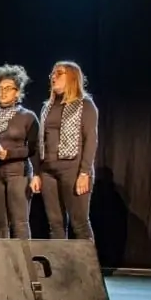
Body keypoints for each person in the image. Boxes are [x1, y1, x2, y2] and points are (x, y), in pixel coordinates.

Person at [32, 61, 98, 240]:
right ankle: (61, 268)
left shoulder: (85, 104)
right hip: (48, 171)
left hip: (73, 169)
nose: (53, 77)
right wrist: (37, 172)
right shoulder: (47, 107)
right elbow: (40, 141)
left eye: (58, 73)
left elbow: (91, 139)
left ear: (72, 77)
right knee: (55, 224)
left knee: (79, 223)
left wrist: (84, 173)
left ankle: (87, 268)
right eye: (52, 74)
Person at [0, 64, 39, 239]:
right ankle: (3, 263)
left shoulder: (27, 116)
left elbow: (34, 148)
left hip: (18, 172)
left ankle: (23, 264)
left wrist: (8, 154)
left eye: (8, 88)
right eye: (0, 89)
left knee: (19, 222)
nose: (3, 92)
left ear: (17, 92)